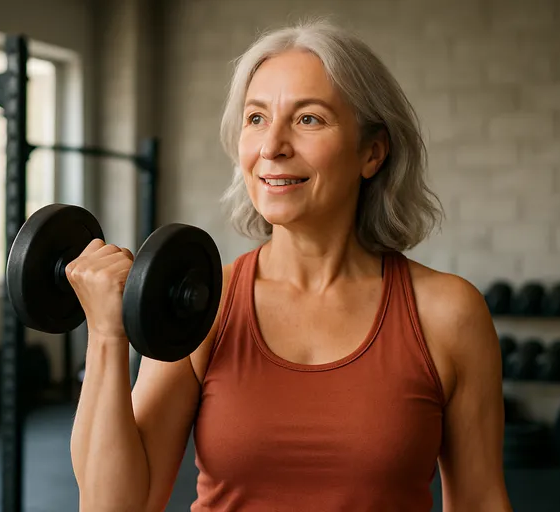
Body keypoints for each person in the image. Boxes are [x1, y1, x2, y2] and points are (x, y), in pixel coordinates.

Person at [68, 18, 512, 512]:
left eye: (308, 119)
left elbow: (479, 500)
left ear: (373, 152)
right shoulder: (204, 307)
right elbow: (115, 506)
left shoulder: (448, 314)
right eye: (256, 118)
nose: (271, 146)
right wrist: (108, 336)